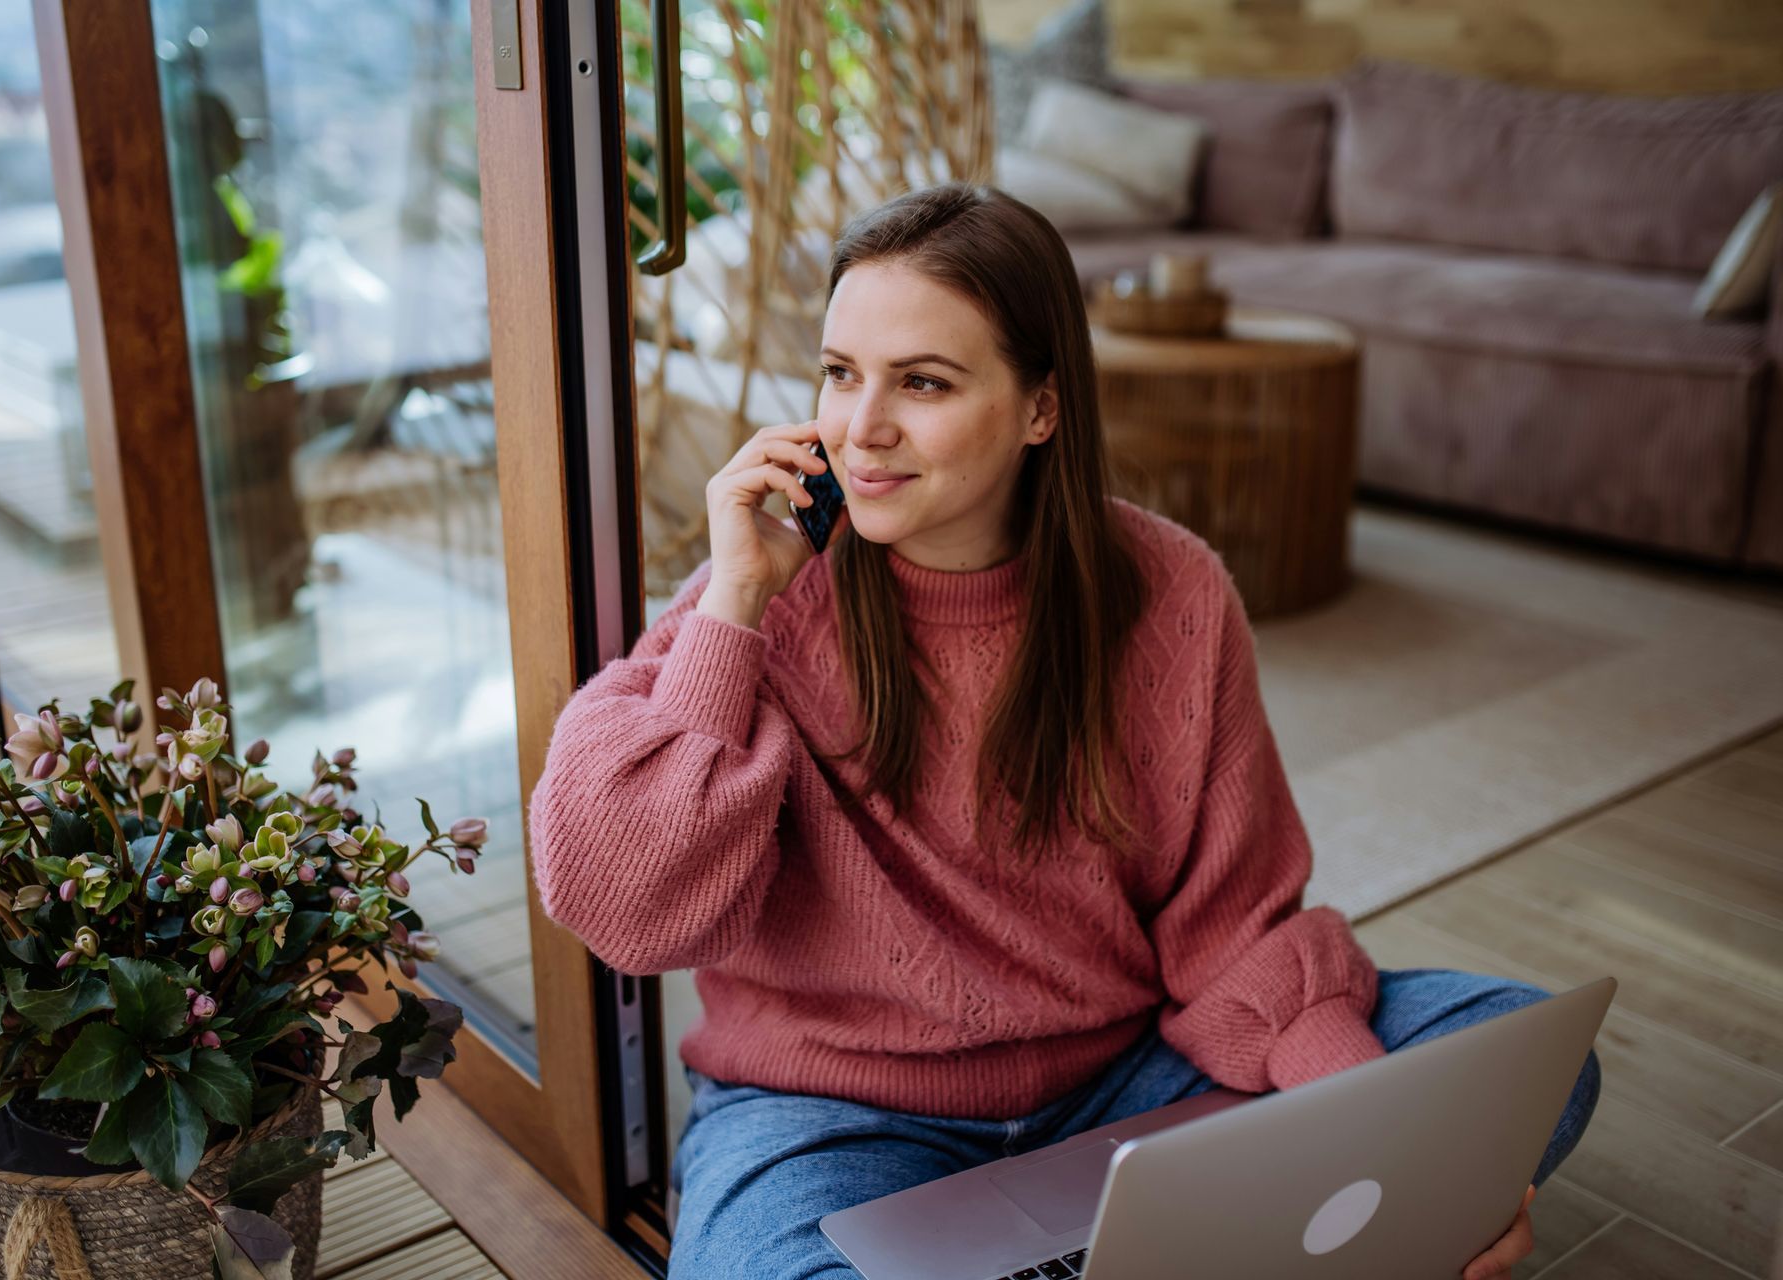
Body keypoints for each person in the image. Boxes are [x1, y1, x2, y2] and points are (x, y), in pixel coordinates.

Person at [528, 182, 1599, 1280]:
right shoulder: (756, 597)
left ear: (1042, 406)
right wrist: (736, 606)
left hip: (1129, 1080)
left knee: (1518, 1056)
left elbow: (1232, 921)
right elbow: (628, 913)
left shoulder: (1174, 590)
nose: (861, 427)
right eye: (841, 373)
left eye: (925, 382)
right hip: (832, 1115)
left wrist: (1395, 1150)